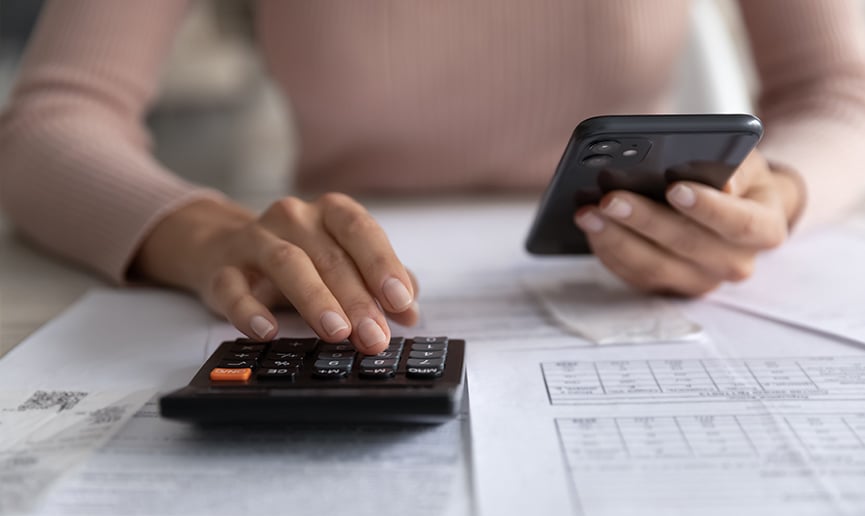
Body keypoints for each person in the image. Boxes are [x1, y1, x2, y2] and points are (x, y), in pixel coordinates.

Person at [1, 1, 864, 355]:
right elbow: (51, 119)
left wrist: (775, 195)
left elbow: (843, 91)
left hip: (624, 293)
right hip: (335, 293)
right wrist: (206, 236)